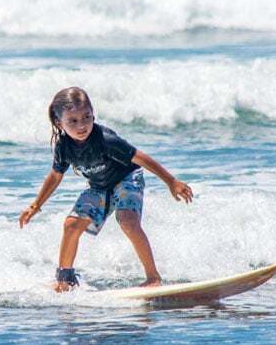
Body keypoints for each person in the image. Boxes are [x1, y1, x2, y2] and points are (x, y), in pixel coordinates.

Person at [19, 87, 193, 292]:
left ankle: (153, 277)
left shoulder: (106, 140)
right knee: (71, 225)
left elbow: (140, 157)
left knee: (128, 221)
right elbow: (55, 176)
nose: (82, 125)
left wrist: (171, 181)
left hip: (127, 179)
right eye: (72, 121)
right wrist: (35, 205)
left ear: (94, 114)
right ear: (59, 123)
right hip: (99, 186)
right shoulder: (63, 146)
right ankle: (65, 280)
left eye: (86, 117)